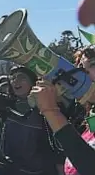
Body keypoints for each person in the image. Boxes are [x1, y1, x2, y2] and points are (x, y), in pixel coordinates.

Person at [31, 45, 95, 175]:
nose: (85, 73)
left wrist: (51, 110)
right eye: (81, 68)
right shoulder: (88, 118)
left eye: (93, 64)